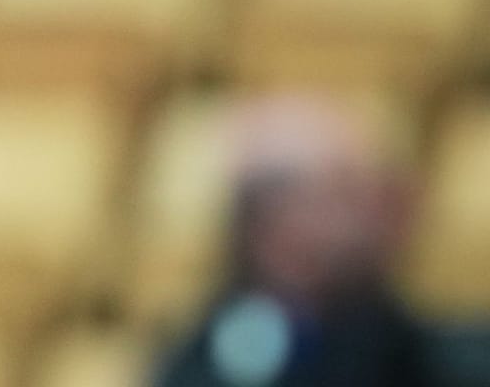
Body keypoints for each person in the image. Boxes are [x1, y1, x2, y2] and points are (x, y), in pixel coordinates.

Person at [153, 95, 447, 387]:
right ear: (276, 223)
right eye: (347, 193)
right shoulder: (203, 359)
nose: (376, 214)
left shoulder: (412, 349)